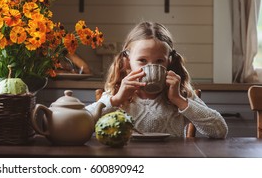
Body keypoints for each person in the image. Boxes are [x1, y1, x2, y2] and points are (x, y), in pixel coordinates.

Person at [87, 21, 228, 138]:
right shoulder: (117, 93)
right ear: (127, 61)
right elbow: (83, 123)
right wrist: (116, 100)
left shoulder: (181, 94)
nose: (151, 67)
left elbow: (220, 130)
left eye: (159, 61)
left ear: (169, 62)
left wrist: (179, 100)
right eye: (142, 60)